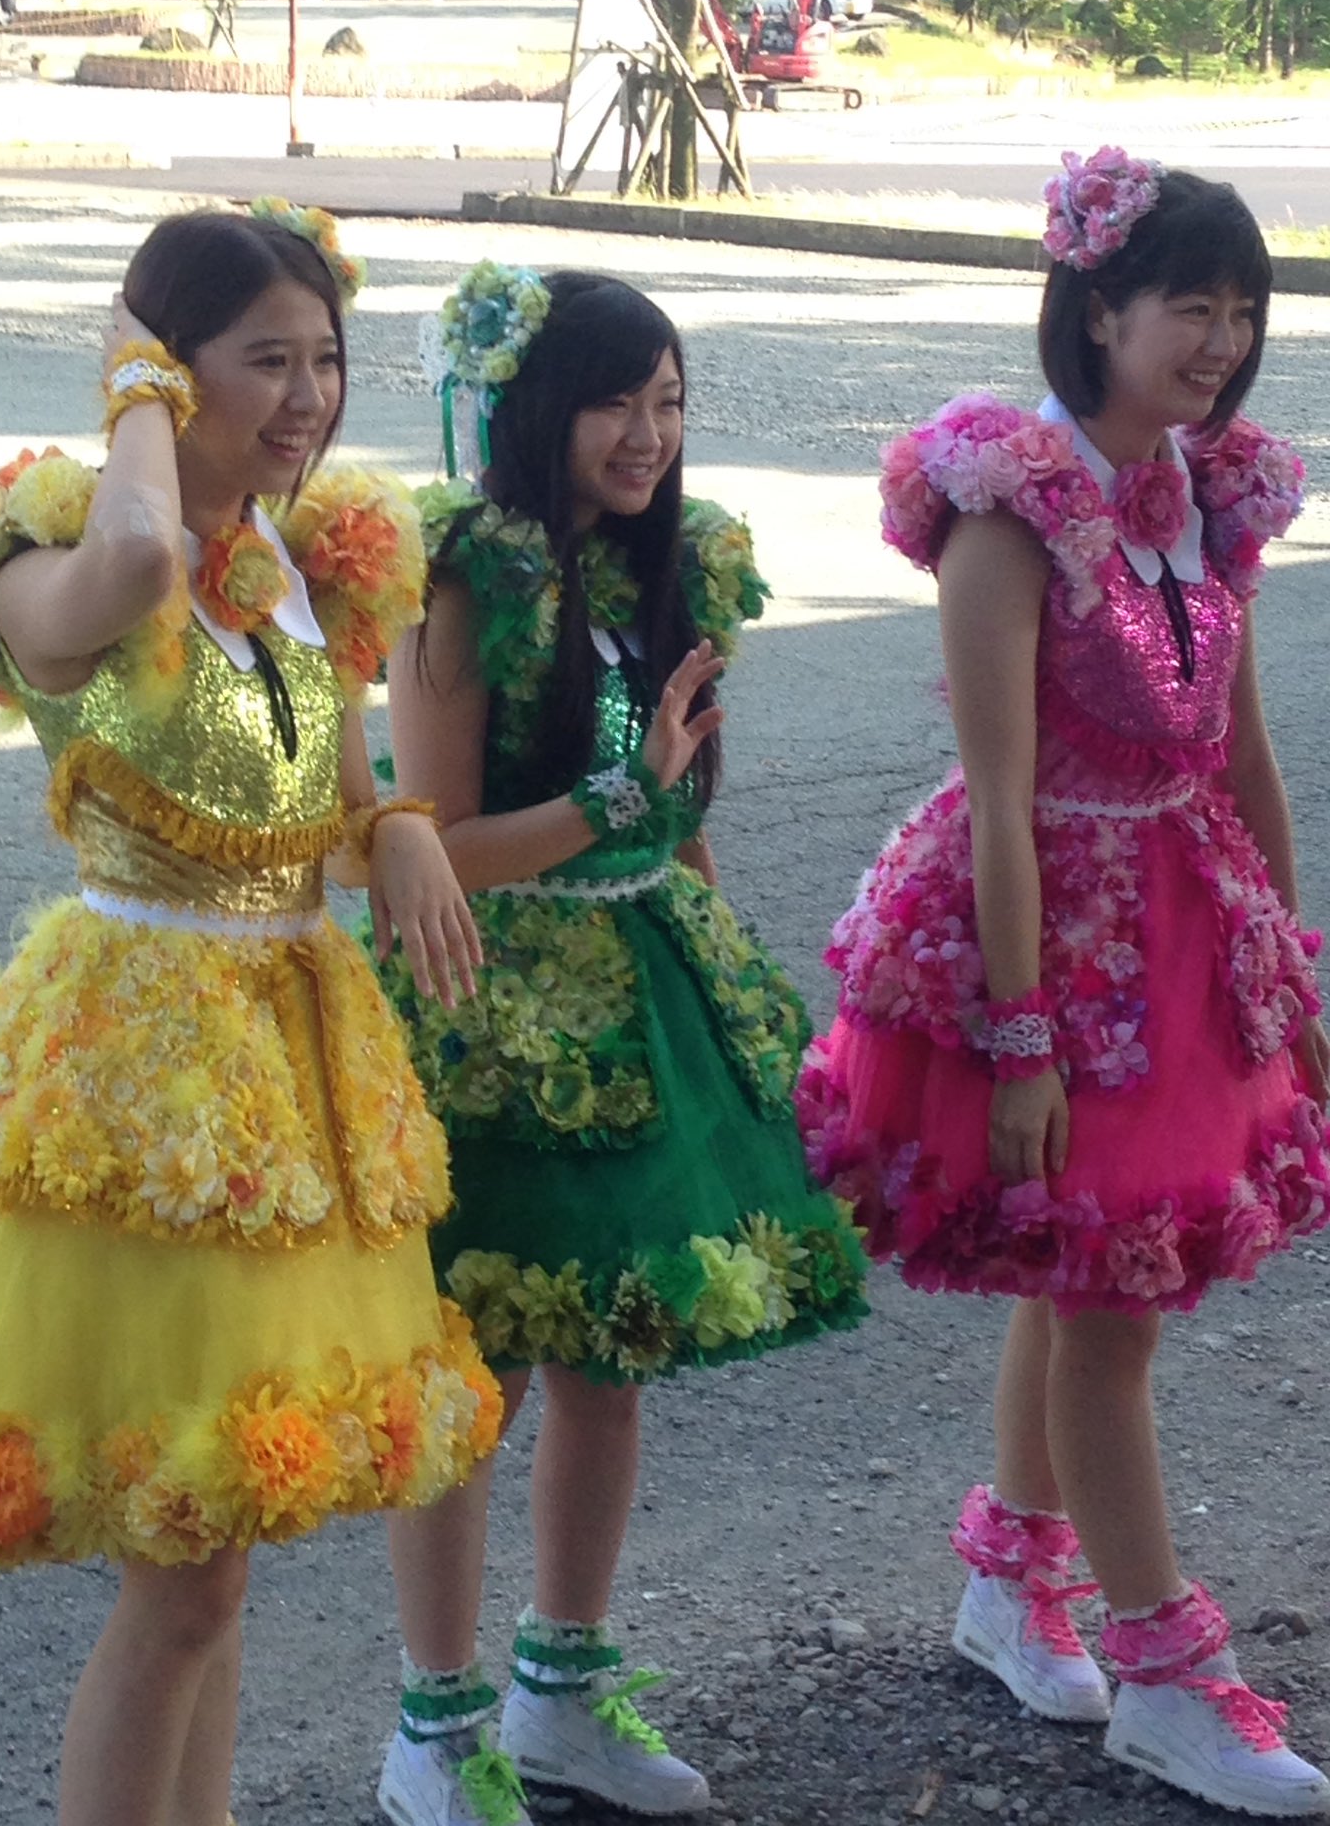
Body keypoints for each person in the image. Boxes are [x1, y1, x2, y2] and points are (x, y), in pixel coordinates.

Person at [0, 201, 503, 1826]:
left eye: (325, 358)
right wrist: (129, 388)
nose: (309, 398)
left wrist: (397, 834)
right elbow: (138, 560)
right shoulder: (43, 562)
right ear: (168, 371)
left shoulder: (303, 566)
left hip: (289, 1083)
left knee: (218, 1556)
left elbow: (338, 800)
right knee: (184, 1574)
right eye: (266, 361)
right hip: (139, 1102)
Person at [798, 148, 1330, 1818]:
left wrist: (1289, 970)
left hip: (1187, 930)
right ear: (1097, 310)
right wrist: (1021, 1041)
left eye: (1242, 313)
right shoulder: (1006, 505)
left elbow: (1245, 756)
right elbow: (1002, 798)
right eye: (1192, 308)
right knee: (1108, 1313)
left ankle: (1012, 1584)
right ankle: (1166, 1678)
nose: (1222, 345)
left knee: (1096, 1284)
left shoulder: (1210, 495)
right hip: (1043, 945)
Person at [372, 264, 869, 1826]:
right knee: (478, 1376)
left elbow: (681, 812)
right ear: (531, 407)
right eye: (612, 400)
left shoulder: (675, 563)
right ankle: (434, 1728)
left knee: (612, 1357)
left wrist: (729, 972)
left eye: (669, 401)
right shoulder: (465, 581)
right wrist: (618, 802)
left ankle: (563, 1692)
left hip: (647, 984)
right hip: (490, 1006)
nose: (648, 434)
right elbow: (432, 845)